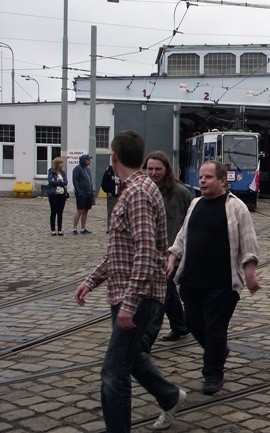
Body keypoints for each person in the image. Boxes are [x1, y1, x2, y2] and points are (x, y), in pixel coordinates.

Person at [74, 130, 186, 432]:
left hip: (135, 297)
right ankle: (170, 395)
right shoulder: (136, 189)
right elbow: (121, 250)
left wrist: (130, 304)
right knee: (131, 357)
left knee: (113, 373)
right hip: (126, 294)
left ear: (113, 158)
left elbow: (147, 251)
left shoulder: (137, 193)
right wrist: (91, 280)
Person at [168, 160, 260, 396]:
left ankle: (213, 373)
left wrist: (249, 270)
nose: (202, 181)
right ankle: (217, 351)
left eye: (208, 177)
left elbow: (248, 241)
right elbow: (182, 236)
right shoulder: (195, 203)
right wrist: (172, 256)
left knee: (215, 329)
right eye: (201, 177)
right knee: (191, 322)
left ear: (222, 180)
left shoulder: (236, 207)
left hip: (222, 282)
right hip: (192, 278)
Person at [143, 151, 192, 345]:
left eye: (158, 169)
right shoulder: (143, 190)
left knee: (161, 295)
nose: (153, 173)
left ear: (166, 170)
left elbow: (191, 219)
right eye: (150, 169)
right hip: (150, 251)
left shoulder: (180, 192)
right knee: (168, 290)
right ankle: (180, 325)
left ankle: (145, 341)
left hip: (173, 251)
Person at [72, 154, 94, 235]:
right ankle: (74, 228)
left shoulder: (88, 169)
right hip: (81, 193)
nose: (89, 161)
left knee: (86, 211)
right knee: (80, 210)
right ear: (84, 161)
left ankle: (83, 228)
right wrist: (78, 191)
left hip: (88, 192)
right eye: (88, 160)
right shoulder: (77, 169)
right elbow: (75, 180)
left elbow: (90, 180)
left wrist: (91, 191)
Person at [47, 156, 68, 236]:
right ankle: (53, 229)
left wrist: (59, 182)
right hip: (53, 194)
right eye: (61, 163)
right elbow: (51, 182)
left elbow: (65, 182)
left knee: (60, 212)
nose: (62, 164)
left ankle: (60, 229)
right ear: (57, 164)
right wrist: (59, 182)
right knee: (53, 211)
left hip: (62, 194)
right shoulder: (51, 172)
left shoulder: (63, 173)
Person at [101, 165, 121, 234]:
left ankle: (118, 227)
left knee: (120, 212)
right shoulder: (108, 173)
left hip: (120, 195)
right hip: (111, 196)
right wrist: (107, 191)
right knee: (110, 212)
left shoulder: (121, 171)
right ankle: (109, 227)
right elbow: (103, 184)